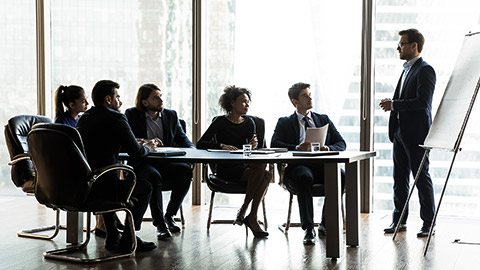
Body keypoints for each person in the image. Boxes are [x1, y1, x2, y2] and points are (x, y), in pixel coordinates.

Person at [76, 80, 157, 252]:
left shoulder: (84, 119)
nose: (120, 102)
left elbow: (100, 143)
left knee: (106, 179)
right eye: (117, 97)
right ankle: (129, 237)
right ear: (108, 99)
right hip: (106, 187)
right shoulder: (117, 118)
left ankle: (113, 235)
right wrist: (148, 147)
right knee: (145, 187)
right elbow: (136, 152)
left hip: (84, 186)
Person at [271, 82, 346, 245]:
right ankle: (308, 228)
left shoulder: (323, 119)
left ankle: (325, 223)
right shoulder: (284, 122)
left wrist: (328, 147)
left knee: (341, 175)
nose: (309, 98)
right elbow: (274, 143)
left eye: (310, 94)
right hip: (298, 166)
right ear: (294, 101)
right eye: (304, 96)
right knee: (304, 176)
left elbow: (341, 143)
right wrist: (296, 147)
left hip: (322, 165)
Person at [379, 28, 436, 238]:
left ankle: (429, 223)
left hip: (417, 135)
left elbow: (423, 103)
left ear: (414, 46)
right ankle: (399, 221)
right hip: (400, 134)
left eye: (402, 44)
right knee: (399, 178)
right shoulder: (406, 69)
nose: (398, 47)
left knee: (421, 178)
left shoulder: (425, 70)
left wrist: (394, 105)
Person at [197, 85, 271, 238]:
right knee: (265, 175)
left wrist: (252, 147)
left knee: (266, 173)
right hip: (226, 169)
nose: (247, 104)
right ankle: (249, 215)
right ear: (232, 103)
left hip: (244, 166)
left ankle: (246, 212)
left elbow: (251, 152)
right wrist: (220, 145)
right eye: (243, 101)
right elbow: (200, 143)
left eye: (248, 101)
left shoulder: (250, 123)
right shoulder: (220, 122)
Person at [125, 83, 194, 240]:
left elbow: (183, 140)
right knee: (153, 176)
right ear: (145, 102)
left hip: (166, 163)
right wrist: (146, 142)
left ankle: (169, 215)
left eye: (161, 96)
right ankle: (160, 224)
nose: (161, 100)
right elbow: (128, 141)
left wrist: (192, 151)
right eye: (155, 97)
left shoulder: (171, 115)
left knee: (185, 171)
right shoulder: (131, 115)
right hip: (143, 163)